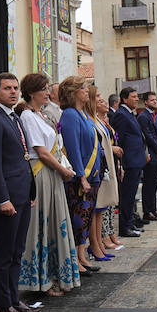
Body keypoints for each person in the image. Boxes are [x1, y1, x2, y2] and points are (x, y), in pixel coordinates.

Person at [0, 73, 39, 312]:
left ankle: (14, 298)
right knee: (4, 255)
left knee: (17, 251)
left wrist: (31, 192)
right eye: (7, 88)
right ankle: (3, 305)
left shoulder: (14, 117)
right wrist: (2, 198)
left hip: (22, 194)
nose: (13, 92)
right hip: (8, 198)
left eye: (16, 88)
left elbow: (23, 157)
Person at [19, 73, 83, 296]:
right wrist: (64, 170)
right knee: (44, 227)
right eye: (44, 89)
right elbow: (42, 152)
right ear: (31, 93)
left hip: (53, 174)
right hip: (43, 174)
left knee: (56, 224)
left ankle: (56, 275)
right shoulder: (27, 116)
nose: (48, 93)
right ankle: (43, 280)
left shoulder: (41, 115)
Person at [58, 76, 103, 273]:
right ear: (73, 92)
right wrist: (81, 176)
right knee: (77, 217)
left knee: (86, 216)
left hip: (93, 174)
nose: (87, 91)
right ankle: (75, 258)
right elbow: (72, 147)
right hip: (80, 177)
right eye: (83, 88)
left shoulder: (83, 113)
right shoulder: (69, 114)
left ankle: (82, 255)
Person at [110, 87, 147, 237]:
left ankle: (130, 223)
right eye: (133, 97)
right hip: (129, 162)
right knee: (127, 196)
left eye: (137, 96)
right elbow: (120, 140)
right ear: (125, 99)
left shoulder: (130, 114)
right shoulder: (121, 115)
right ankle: (125, 227)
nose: (137, 99)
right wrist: (121, 163)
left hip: (136, 160)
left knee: (131, 196)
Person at [91, 93, 123, 255]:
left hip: (110, 164)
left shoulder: (105, 121)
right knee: (101, 205)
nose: (104, 103)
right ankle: (102, 237)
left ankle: (109, 233)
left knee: (108, 203)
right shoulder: (93, 120)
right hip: (100, 166)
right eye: (99, 99)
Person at [137, 91, 157, 222]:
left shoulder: (153, 115)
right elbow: (148, 136)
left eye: (155, 99)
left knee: (154, 183)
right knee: (148, 183)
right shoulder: (143, 116)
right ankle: (147, 211)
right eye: (152, 100)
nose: (155, 101)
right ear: (146, 102)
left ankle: (153, 209)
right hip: (151, 154)